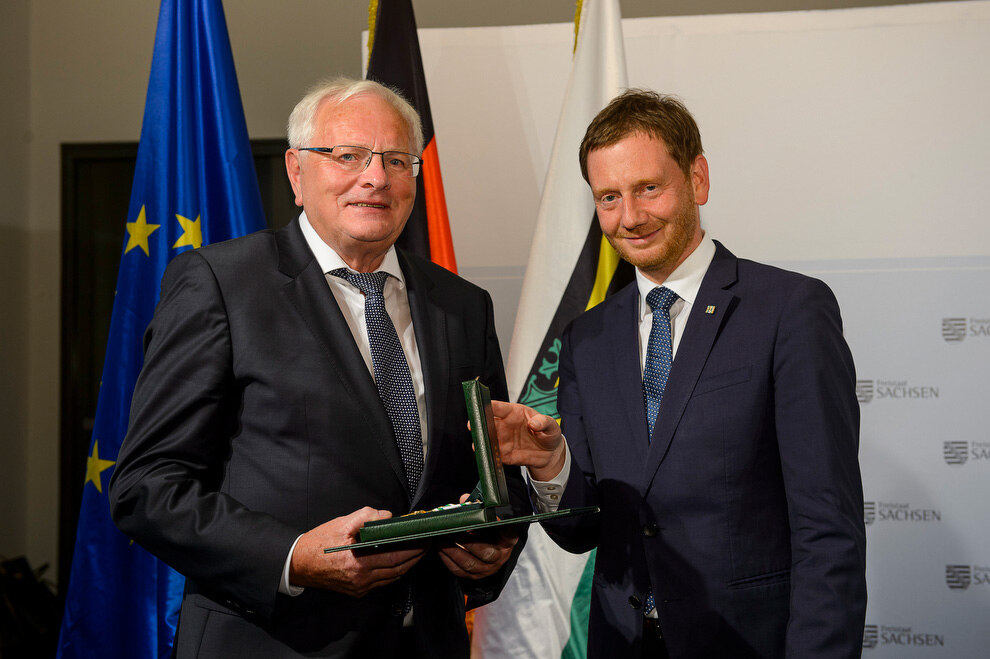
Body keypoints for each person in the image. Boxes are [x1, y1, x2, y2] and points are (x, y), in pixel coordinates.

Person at [110, 76, 525, 658]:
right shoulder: (222, 285)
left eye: (396, 161)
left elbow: (492, 474)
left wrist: (493, 541)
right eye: (347, 156)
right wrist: (290, 556)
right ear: (296, 172)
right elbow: (146, 487)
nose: (375, 178)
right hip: (273, 641)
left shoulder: (462, 304)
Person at [493, 89, 866, 658]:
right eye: (609, 197)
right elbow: (582, 529)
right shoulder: (587, 337)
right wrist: (549, 464)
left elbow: (827, 528)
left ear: (697, 179)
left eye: (648, 188)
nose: (630, 217)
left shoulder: (788, 310)